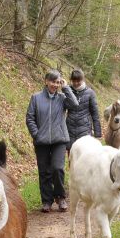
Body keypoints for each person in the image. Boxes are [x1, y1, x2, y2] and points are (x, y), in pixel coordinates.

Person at [26, 69, 79, 212]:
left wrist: (66, 88)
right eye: (53, 82)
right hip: (41, 141)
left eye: (57, 82)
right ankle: (47, 201)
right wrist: (36, 134)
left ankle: (61, 197)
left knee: (57, 168)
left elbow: (74, 105)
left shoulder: (62, 98)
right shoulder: (36, 98)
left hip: (59, 140)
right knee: (44, 172)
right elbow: (30, 118)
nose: (55, 85)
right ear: (46, 81)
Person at [65, 68, 102, 150]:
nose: (75, 83)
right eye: (73, 81)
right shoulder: (68, 91)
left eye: (78, 81)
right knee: (71, 156)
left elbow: (95, 114)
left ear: (82, 79)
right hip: (70, 129)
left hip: (84, 130)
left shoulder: (90, 93)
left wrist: (97, 133)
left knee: (83, 157)